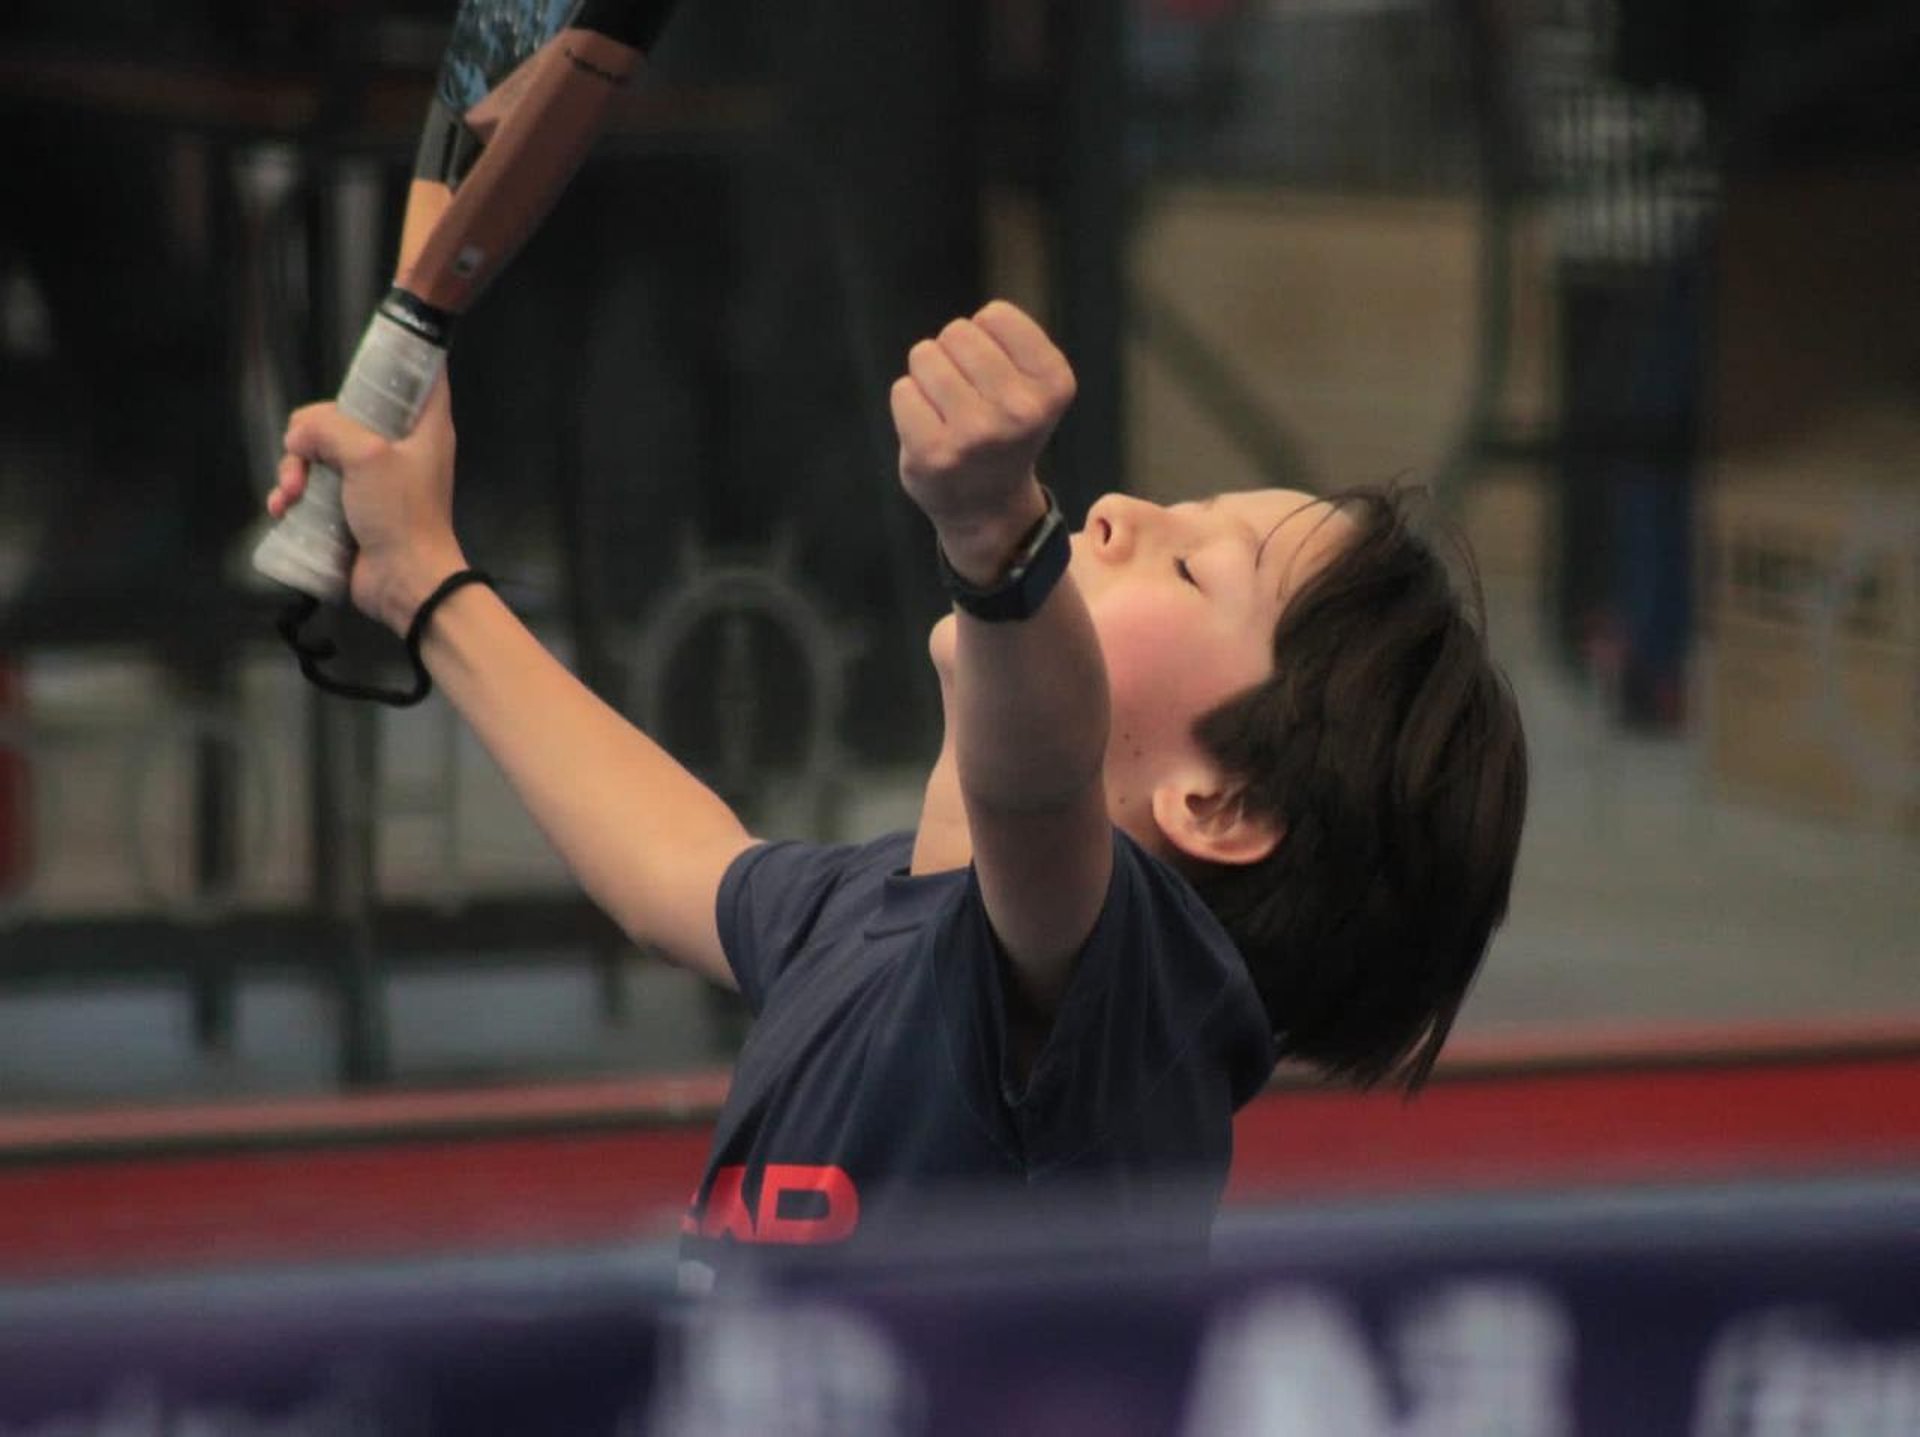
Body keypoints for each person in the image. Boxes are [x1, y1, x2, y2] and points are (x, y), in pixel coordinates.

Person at [271, 300, 1528, 1287]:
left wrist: (1002, 549)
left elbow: (1036, 786)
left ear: (1220, 803)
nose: (1120, 512)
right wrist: (422, 579)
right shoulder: (874, 916)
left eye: (1194, 568)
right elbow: (674, 866)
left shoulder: (1138, 1010)